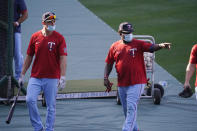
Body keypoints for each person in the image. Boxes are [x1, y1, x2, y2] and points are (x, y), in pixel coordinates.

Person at [104, 22, 171, 131]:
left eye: (131, 32)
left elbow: (151, 47)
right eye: (126, 33)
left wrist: (160, 45)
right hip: (122, 83)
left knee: (131, 107)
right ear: (120, 33)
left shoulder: (138, 44)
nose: (129, 34)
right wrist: (105, 77)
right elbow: (109, 63)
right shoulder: (114, 46)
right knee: (127, 112)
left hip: (137, 82)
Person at [18, 12, 67, 131]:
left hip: (52, 77)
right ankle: (38, 127)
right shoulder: (35, 37)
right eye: (50, 21)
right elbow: (29, 56)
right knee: (30, 100)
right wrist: (22, 74)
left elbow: (63, 58)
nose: (53, 23)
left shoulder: (59, 38)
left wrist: (63, 77)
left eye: (54, 21)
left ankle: (49, 129)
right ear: (43, 23)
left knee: (51, 106)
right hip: (36, 76)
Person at [14, 0, 28, 80]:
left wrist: (17, 23)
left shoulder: (19, 0)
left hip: (15, 31)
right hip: (3, 31)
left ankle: (18, 79)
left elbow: (25, 14)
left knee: (17, 54)